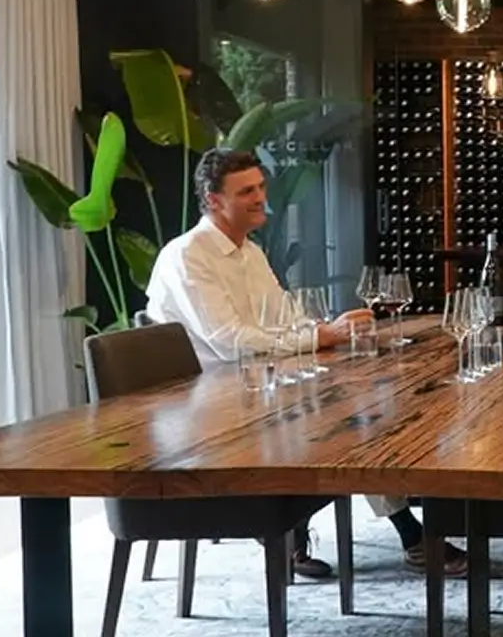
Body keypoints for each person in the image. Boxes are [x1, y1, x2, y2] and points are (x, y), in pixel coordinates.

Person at [146, 148, 468, 579]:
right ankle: (402, 535)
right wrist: (319, 336)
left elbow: (285, 317)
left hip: (260, 387)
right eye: (246, 191)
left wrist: (324, 328)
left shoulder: (250, 252)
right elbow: (230, 342)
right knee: (351, 418)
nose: (260, 198)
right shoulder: (188, 255)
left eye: (260, 187)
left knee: (364, 406)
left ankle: (309, 533)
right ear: (213, 200)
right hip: (207, 410)